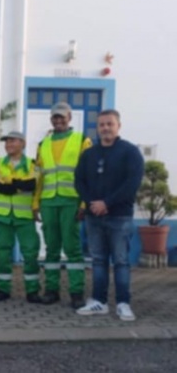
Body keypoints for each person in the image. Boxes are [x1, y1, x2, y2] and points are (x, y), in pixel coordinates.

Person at [75, 109, 143, 321]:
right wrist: (91, 203)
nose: (105, 128)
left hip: (119, 216)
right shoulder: (89, 154)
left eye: (110, 124)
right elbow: (79, 181)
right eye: (102, 124)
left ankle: (123, 303)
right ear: (98, 127)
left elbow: (132, 183)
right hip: (94, 216)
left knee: (121, 261)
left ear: (118, 126)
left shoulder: (130, 152)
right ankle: (99, 302)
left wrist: (107, 203)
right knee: (98, 260)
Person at [34, 102, 92, 308]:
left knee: (73, 248)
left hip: (71, 200)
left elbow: (88, 175)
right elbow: (39, 177)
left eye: (62, 117)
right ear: (51, 119)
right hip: (49, 201)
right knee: (51, 249)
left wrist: (84, 203)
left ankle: (76, 292)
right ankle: (51, 290)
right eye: (55, 117)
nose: (58, 121)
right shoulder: (43, 144)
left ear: (69, 117)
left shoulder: (82, 141)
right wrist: (35, 203)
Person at [0, 131, 42, 303]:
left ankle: (32, 291)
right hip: (3, 216)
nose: (8, 144)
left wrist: (9, 180)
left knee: (30, 253)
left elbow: (31, 184)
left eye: (12, 141)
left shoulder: (33, 164)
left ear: (23, 144)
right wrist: (18, 183)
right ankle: (2, 289)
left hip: (24, 215)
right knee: (2, 253)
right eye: (6, 141)